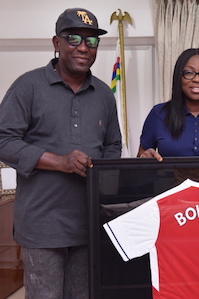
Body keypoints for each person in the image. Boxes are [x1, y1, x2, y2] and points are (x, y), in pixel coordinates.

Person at [0, 8, 122, 298]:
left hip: (89, 222)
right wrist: (59, 162)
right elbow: (3, 139)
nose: (83, 47)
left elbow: (113, 145)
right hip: (42, 225)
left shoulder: (104, 94)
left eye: (91, 41)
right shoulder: (28, 86)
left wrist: (101, 173)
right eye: (74, 38)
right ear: (57, 43)